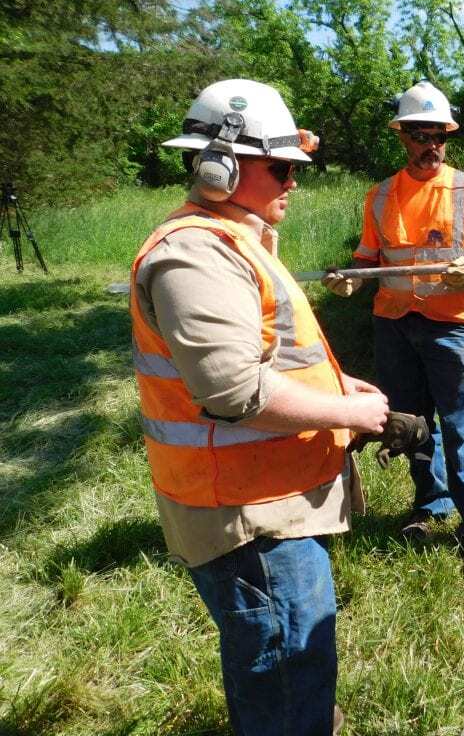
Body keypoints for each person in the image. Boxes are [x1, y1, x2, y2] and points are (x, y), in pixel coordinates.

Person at [130, 78, 389, 736]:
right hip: (247, 521)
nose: (293, 183)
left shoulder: (231, 240)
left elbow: (266, 355)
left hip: (264, 507)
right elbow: (235, 391)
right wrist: (346, 416)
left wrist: (337, 388)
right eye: (280, 168)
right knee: (283, 679)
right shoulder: (195, 255)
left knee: (291, 671)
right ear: (221, 166)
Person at [323, 80, 464, 578]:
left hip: (453, 331)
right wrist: (348, 282)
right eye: (419, 134)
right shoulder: (382, 195)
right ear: (402, 138)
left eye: (438, 134)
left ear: (446, 136)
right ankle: (430, 508)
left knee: (462, 432)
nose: (429, 144)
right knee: (411, 427)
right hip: (394, 326)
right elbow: (367, 261)